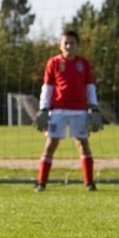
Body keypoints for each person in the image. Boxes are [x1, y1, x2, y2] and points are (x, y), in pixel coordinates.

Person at [34, 30, 103, 191]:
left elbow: (90, 87)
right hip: (58, 111)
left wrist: (94, 108)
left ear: (77, 46)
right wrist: (44, 109)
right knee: (50, 144)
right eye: (65, 43)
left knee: (83, 144)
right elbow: (48, 87)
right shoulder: (53, 63)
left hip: (79, 111)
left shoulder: (83, 64)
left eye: (72, 43)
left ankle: (89, 183)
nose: (68, 46)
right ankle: (41, 183)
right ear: (60, 45)